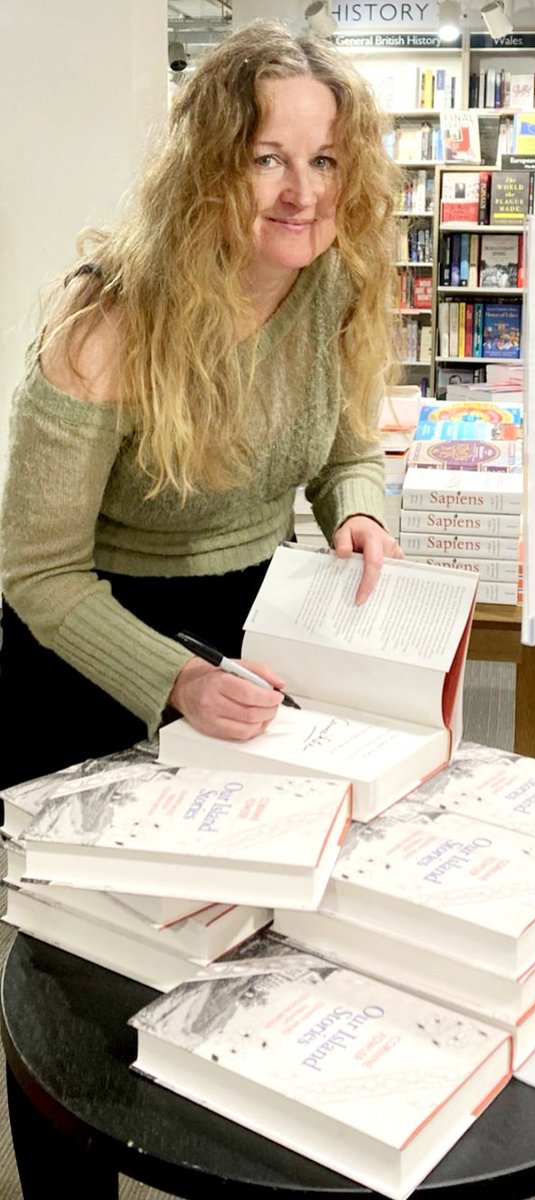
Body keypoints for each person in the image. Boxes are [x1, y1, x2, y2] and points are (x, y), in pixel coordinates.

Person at [0, 21, 404, 789]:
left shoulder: (334, 280)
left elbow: (349, 445)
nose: (304, 193)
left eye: (324, 160)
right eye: (267, 160)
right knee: (102, 901)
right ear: (208, 167)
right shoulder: (109, 320)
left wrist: (357, 510)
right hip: (95, 644)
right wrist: (176, 679)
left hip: (253, 629)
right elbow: (38, 573)